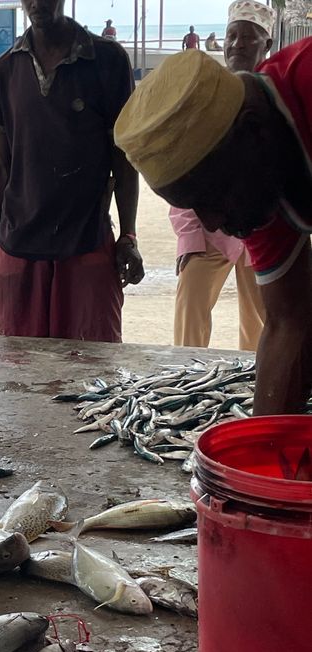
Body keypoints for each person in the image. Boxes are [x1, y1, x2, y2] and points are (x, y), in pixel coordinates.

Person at [114, 35, 312, 415]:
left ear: (253, 130)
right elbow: (287, 322)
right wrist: (259, 453)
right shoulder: (259, 165)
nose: (213, 223)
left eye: (210, 196)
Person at [0, 0, 144, 342]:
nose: (37, 3)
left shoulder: (108, 60)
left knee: (92, 374)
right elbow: (0, 165)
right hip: (16, 247)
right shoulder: (3, 70)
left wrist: (128, 236)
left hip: (87, 244)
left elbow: (123, 157)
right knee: (20, 374)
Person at [170, 0, 274, 351]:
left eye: (249, 37)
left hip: (265, 230)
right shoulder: (200, 92)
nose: (237, 44)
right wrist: (188, 239)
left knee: (266, 324)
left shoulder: (277, 96)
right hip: (209, 229)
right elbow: (179, 169)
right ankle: (182, 379)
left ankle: (259, 390)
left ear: (267, 44)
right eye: (232, 36)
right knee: (190, 309)